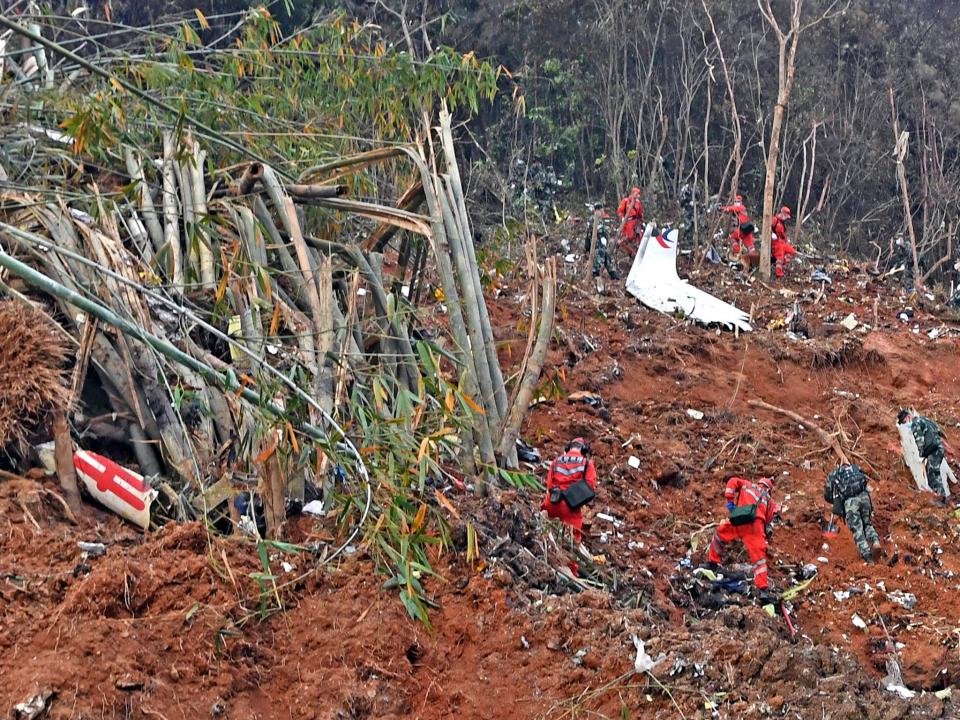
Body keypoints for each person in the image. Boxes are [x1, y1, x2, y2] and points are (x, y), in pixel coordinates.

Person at [706, 476, 776, 593]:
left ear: (759, 483)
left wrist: (730, 501)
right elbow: (769, 519)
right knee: (759, 559)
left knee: (720, 535)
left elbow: (732, 481)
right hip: (755, 526)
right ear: (769, 489)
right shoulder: (769, 500)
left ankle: (712, 563)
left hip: (739, 519)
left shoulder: (747, 484)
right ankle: (762, 589)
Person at [542, 437, 598, 575]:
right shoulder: (586, 464)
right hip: (570, 508)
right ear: (583, 449)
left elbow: (549, 485)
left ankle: (546, 564)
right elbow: (590, 486)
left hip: (551, 503)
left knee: (547, 535)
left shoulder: (556, 462)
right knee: (572, 542)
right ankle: (571, 573)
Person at [824, 464, 881, 563]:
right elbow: (865, 482)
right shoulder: (855, 468)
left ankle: (868, 557)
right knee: (867, 523)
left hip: (851, 503)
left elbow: (827, 494)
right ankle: (875, 541)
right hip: (865, 497)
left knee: (857, 530)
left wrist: (836, 501)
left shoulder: (834, 474)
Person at [898, 409, 955, 506]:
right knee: (933, 473)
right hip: (938, 448)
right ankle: (943, 498)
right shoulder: (924, 419)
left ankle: (942, 500)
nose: (905, 424)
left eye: (904, 422)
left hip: (934, 451)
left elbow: (920, 440)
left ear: (908, 417)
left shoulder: (915, 424)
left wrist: (921, 454)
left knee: (933, 474)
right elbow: (938, 430)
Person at [584, 205, 620, 279]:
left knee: (608, 259)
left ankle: (613, 274)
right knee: (599, 259)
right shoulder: (593, 219)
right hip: (597, 244)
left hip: (601, 244)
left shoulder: (600, 220)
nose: (603, 212)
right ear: (598, 211)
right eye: (602, 210)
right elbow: (598, 231)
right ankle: (595, 275)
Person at [771, 206, 798, 277]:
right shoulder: (775, 220)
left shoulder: (782, 222)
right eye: (786, 216)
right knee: (780, 256)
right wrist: (772, 234)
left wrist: (786, 239)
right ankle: (778, 273)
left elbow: (783, 234)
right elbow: (768, 228)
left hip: (782, 242)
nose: (786, 218)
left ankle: (779, 262)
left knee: (793, 252)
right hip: (776, 243)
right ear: (782, 214)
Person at [617, 187, 645, 255]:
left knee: (640, 236)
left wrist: (642, 221)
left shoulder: (638, 202)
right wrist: (622, 218)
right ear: (632, 193)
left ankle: (639, 251)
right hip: (628, 221)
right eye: (636, 193)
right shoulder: (625, 201)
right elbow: (620, 211)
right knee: (630, 236)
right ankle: (623, 246)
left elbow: (640, 213)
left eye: (638, 194)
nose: (638, 195)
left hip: (636, 221)